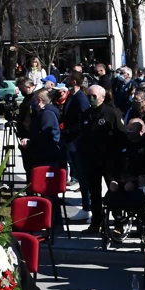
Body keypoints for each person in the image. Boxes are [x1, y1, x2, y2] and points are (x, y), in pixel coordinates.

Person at [78, 84, 123, 237]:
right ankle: (96, 223)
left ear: (102, 97)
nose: (91, 99)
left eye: (94, 96)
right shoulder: (86, 114)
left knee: (114, 190)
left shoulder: (112, 113)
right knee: (94, 193)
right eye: (89, 96)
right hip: (92, 161)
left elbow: (122, 136)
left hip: (110, 160)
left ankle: (118, 223)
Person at [61, 75, 92, 222]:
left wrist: (66, 132)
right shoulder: (73, 96)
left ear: (74, 81)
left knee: (84, 177)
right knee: (81, 177)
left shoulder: (80, 98)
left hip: (77, 142)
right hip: (71, 141)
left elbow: (82, 121)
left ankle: (88, 207)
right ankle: (87, 207)